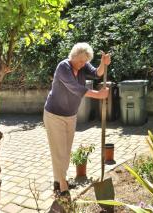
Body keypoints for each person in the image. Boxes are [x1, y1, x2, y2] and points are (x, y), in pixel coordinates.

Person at [43, 42, 111, 198]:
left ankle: (58, 180)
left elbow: (97, 73)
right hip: (54, 115)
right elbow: (75, 88)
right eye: (80, 61)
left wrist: (103, 62)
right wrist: (98, 94)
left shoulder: (82, 65)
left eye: (84, 61)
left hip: (70, 115)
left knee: (65, 152)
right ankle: (62, 187)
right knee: (58, 152)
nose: (82, 64)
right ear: (73, 56)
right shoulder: (63, 67)